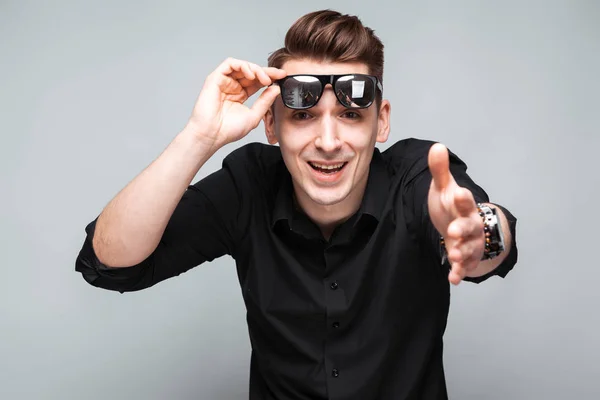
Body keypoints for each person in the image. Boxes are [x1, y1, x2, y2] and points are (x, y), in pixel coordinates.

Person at [75, 9, 518, 400]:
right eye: (303, 116)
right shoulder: (250, 185)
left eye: (350, 115)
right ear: (271, 124)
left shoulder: (417, 176)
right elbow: (111, 261)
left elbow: (488, 238)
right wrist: (199, 138)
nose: (328, 143)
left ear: (380, 122)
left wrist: (479, 234)